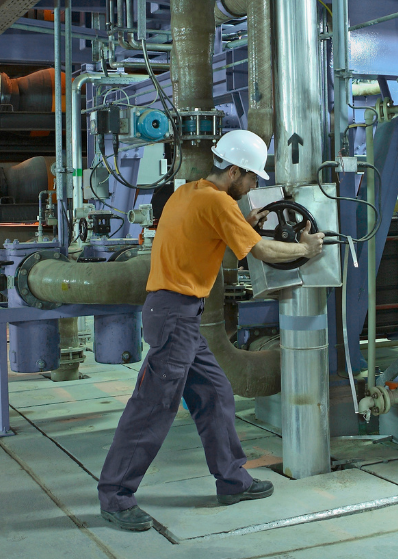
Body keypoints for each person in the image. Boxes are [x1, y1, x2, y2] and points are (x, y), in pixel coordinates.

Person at [98, 129, 325, 532]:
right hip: (175, 316)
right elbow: (265, 251)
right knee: (152, 407)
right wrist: (307, 249)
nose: (255, 184)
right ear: (233, 170)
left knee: (216, 393)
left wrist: (242, 222)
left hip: (177, 315)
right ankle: (115, 496)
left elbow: (209, 233)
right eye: (252, 177)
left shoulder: (189, 193)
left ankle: (232, 479)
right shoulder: (218, 204)